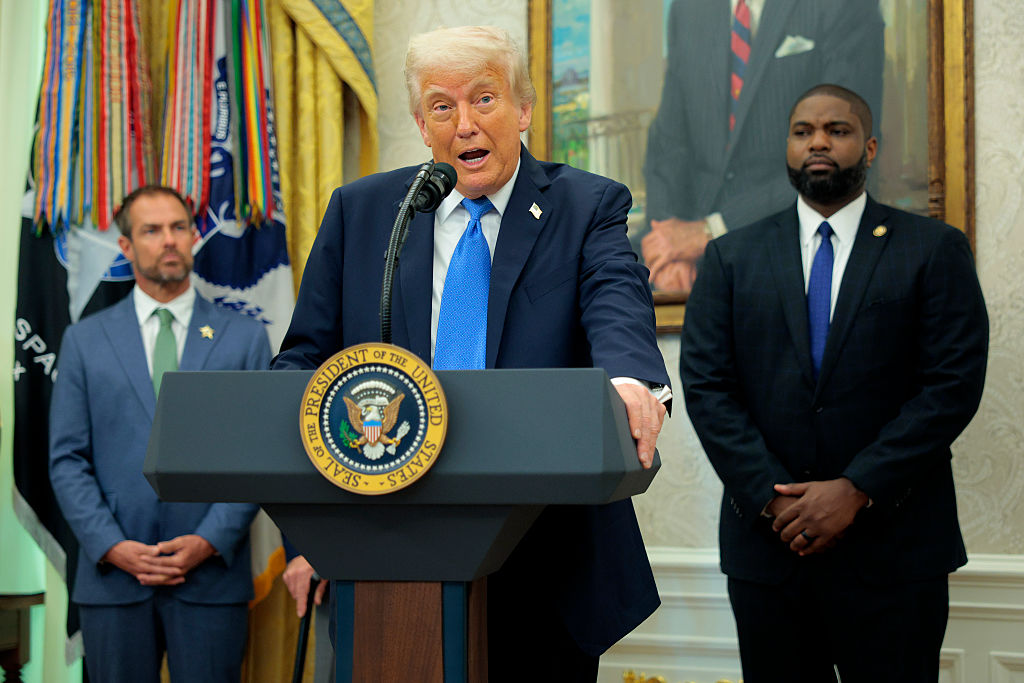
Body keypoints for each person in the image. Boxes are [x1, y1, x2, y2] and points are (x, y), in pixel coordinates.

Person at [272, 25, 671, 681]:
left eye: (484, 99)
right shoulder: (365, 212)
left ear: (523, 109)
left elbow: (615, 301)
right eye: (442, 106)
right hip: (385, 549)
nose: (465, 124)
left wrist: (631, 381)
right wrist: (314, 532)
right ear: (421, 123)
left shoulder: (586, 205)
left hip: (545, 559)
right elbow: (302, 369)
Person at [679, 84, 988, 681]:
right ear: (788, 149)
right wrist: (773, 500)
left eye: (837, 130)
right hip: (771, 552)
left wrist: (856, 488)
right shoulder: (730, 258)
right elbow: (707, 388)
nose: (818, 141)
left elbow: (951, 385)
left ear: (867, 146)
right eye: (802, 131)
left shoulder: (932, 249)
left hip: (895, 550)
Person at [49, 185, 272, 682]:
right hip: (113, 581)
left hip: (210, 577)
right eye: (151, 230)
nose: (169, 240)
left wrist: (208, 540)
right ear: (126, 247)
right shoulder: (85, 340)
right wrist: (110, 545)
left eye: (178, 227)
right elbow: (67, 460)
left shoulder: (244, 338)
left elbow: (257, 457)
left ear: (194, 235)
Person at [641, 0, 884, 294]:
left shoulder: (845, 6)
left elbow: (840, 153)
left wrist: (712, 231)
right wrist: (667, 249)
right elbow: (667, 147)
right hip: (688, 246)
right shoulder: (689, 9)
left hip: (789, 234)